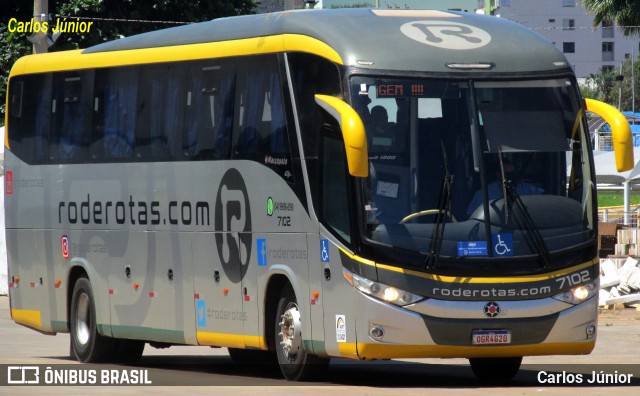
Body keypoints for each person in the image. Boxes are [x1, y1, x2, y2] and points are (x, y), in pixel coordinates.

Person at [466, 159, 543, 215]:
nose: (510, 178)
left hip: (523, 230)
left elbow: (545, 196)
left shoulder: (524, 188)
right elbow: (471, 215)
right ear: (498, 174)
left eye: (512, 173)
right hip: (494, 232)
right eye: (507, 174)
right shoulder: (484, 193)